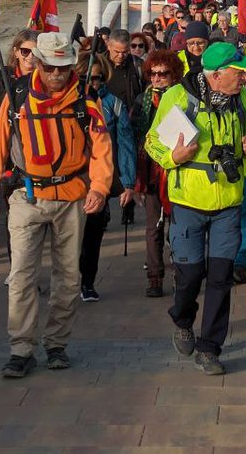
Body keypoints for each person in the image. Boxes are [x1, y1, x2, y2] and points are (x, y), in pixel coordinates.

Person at [0, 32, 114, 379]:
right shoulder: (17, 96)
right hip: (27, 198)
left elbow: (101, 148)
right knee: (22, 275)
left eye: (63, 67)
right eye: (50, 67)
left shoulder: (85, 101)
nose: (56, 74)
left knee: (68, 278)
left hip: (72, 199)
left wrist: (99, 187)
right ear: (38, 62)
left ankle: (56, 344)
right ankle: (21, 348)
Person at [146, 42, 246, 376]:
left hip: (228, 203)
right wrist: (173, 158)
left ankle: (210, 348)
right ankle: (182, 319)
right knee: (191, 274)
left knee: (221, 278)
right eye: (238, 72)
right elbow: (152, 141)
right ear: (217, 75)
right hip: (188, 202)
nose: (245, 77)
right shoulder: (179, 97)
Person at [77, 53, 137, 303]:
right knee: (67, 238)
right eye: (86, 78)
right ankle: (67, 280)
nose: (92, 83)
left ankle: (87, 282)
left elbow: (125, 143)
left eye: (98, 79)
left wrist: (128, 182)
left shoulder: (113, 103)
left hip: (99, 177)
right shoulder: (67, 103)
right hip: (71, 179)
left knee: (93, 234)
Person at [132, 49, 183, 297]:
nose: (157, 78)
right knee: (153, 227)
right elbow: (135, 136)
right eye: (152, 74)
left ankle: (180, 274)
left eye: (162, 74)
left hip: (177, 166)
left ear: (173, 75)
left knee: (178, 226)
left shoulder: (183, 98)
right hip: (151, 169)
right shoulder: (142, 100)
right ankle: (154, 276)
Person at [0, 29, 39, 145]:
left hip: (35, 141)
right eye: (25, 51)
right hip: (5, 141)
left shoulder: (43, 78)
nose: (30, 56)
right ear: (16, 52)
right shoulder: (3, 76)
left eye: (35, 52)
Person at [106, 30, 145, 113]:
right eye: (117, 52)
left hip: (130, 116)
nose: (120, 56)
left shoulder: (138, 65)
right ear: (108, 46)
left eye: (125, 52)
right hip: (104, 115)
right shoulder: (100, 64)